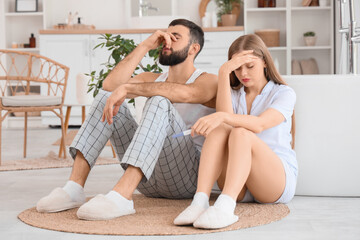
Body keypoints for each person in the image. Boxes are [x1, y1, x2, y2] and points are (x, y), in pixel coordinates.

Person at [36, 19, 218, 221]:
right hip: (149, 181)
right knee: (106, 97)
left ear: (194, 48)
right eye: (165, 36)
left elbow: (184, 94)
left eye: (175, 37)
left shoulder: (208, 80)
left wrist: (129, 88)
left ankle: (122, 196)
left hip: (188, 178)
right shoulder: (152, 77)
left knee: (159, 100)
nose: (167, 41)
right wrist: (146, 45)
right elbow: (110, 85)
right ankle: (74, 188)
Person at [174, 34, 297, 229]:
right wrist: (223, 72)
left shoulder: (283, 93)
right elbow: (222, 122)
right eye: (237, 67)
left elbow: (259, 124)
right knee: (221, 128)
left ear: (264, 62)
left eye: (250, 66)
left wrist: (222, 117)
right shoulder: (234, 93)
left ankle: (225, 207)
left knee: (239, 132)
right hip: (240, 183)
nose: (243, 73)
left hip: (274, 181)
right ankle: (200, 202)